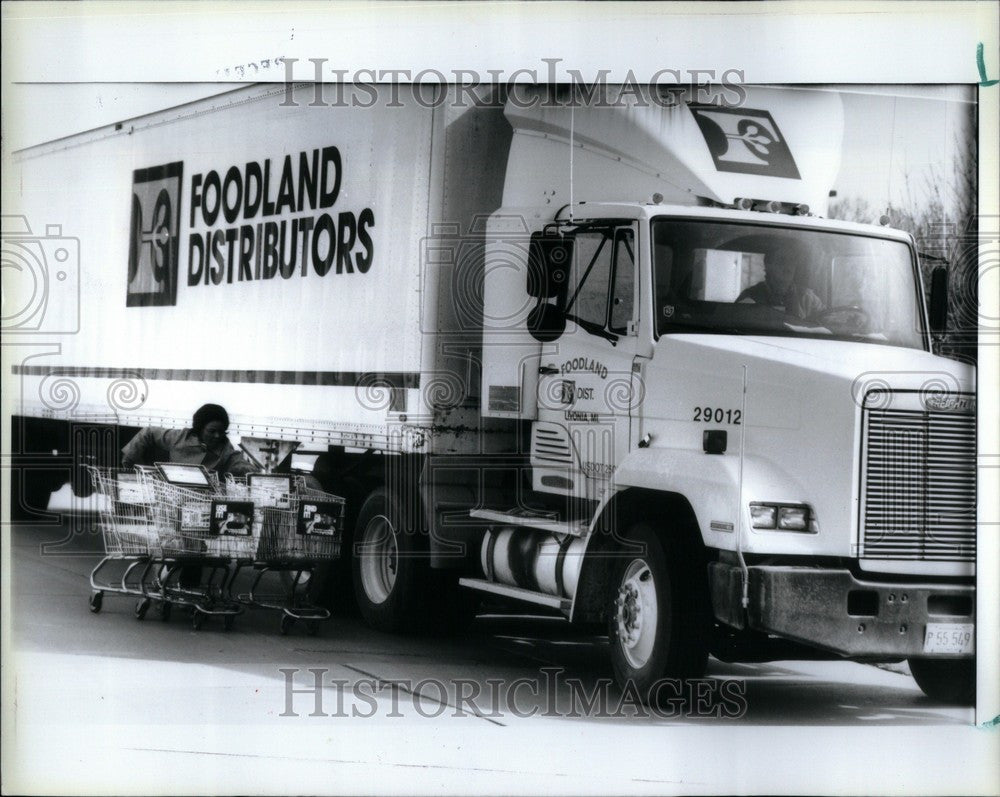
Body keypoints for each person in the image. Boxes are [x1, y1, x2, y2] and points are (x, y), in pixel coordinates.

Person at [121, 403, 256, 476]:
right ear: (200, 428)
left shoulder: (225, 448)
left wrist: (255, 475)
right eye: (212, 431)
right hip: (172, 495)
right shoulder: (180, 438)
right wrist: (130, 461)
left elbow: (240, 464)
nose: (217, 436)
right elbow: (148, 432)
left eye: (221, 432)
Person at [737, 248, 824, 319]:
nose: (788, 266)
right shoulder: (750, 295)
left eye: (792, 261)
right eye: (782, 261)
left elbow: (826, 319)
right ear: (768, 266)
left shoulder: (808, 298)